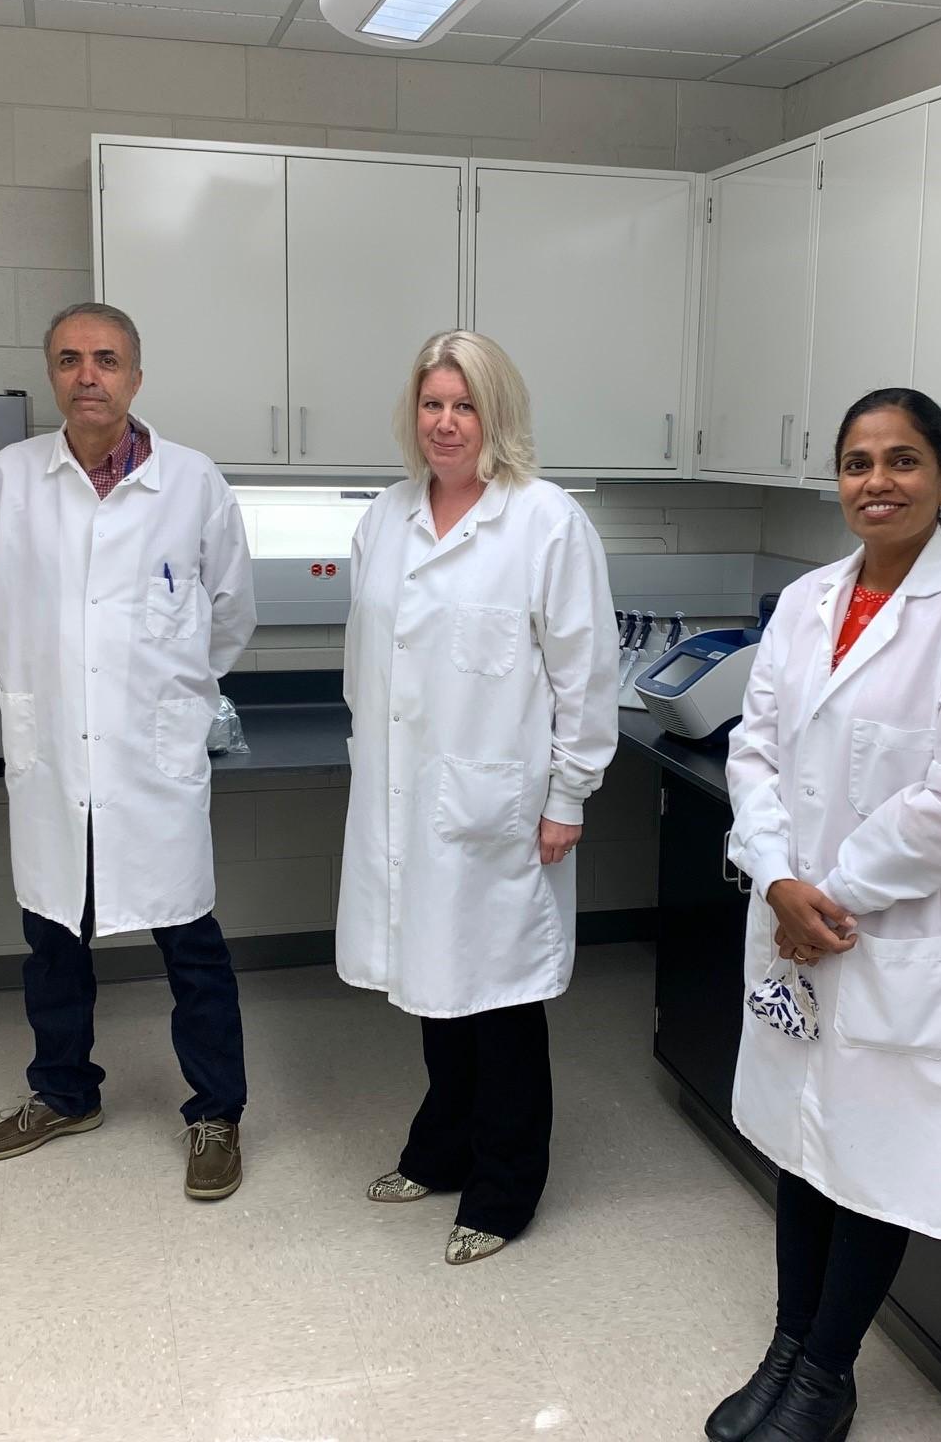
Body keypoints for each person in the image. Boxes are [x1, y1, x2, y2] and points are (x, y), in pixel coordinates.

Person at [708, 389, 941, 1442]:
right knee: (806, 1149)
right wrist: (774, 879)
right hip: (798, 924)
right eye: (858, 462)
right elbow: (753, 749)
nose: (878, 482)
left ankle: (826, 1374)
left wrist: (832, 893)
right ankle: (786, 1345)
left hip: (892, 936)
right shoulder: (808, 600)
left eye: (904, 461)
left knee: (874, 1161)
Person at [0, 302, 257, 1201]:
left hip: (151, 761)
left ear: (135, 374)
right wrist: (52, 694)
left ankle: (216, 1113)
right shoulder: (8, 481)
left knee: (192, 946)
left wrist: (165, 696)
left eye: (107, 359)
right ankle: (63, 1093)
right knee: (51, 940)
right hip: (53, 753)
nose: (89, 375)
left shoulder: (194, 483)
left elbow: (231, 614)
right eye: (70, 359)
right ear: (51, 374)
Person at [336, 330, 619, 1267]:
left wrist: (569, 794)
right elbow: (366, 662)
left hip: (498, 803)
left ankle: (504, 1190)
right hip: (406, 797)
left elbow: (585, 673)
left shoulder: (545, 522)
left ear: (496, 416)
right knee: (433, 986)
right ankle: (440, 1149)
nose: (446, 423)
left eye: (464, 406)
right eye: (431, 405)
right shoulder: (384, 517)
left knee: (496, 1004)